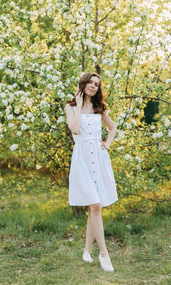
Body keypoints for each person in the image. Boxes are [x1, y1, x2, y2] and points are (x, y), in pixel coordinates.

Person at [64, 72, 118, 272]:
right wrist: (78, 107)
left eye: (97, 84)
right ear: (83, 83)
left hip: (99, 158)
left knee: (95, 207)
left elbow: (112, 129)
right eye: (91, 82)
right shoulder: (70, 107)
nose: (93, 86)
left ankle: (87, 250)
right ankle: (104, 254)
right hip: (82, 160)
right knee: (94, 205)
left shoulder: (99, 108)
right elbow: (75, 129)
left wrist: (107, 145)